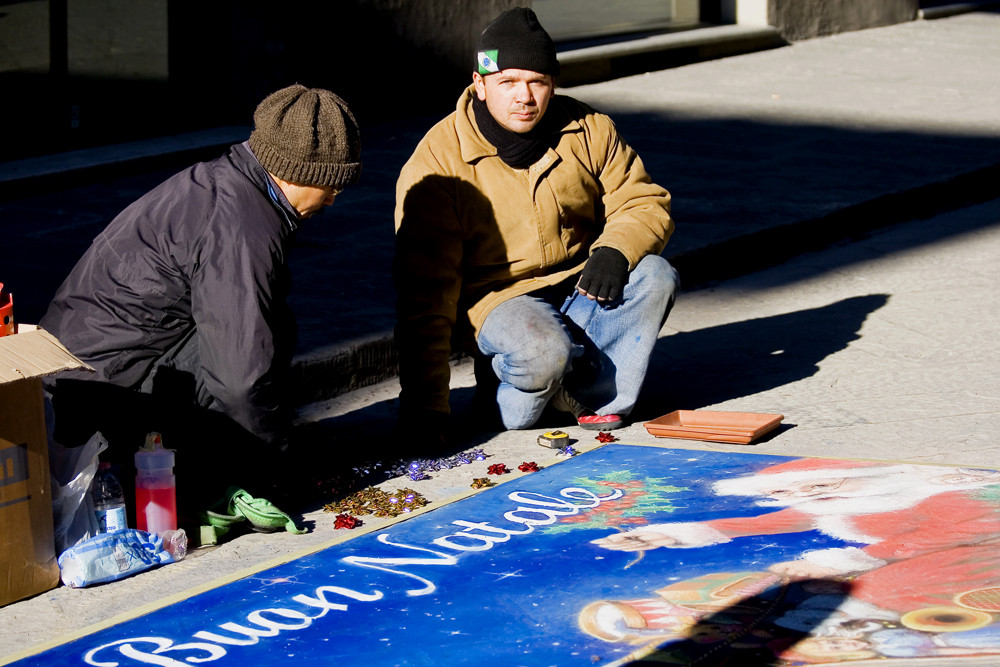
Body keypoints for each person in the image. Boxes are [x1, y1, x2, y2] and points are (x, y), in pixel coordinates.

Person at [40, 84, 361, 512]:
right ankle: (205, 481)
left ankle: (218, 459)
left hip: (80, 381)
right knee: (257, 346)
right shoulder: (243, 225)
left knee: (264, 326)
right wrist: (277, 464)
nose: (333, 199)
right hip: (91, 405)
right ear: (298, 172)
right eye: (331, 186)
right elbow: (241, 378)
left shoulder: (222, 183)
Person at [393, 8, 679, 448]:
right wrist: (425, 410)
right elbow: (423, 294)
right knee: (542, 353)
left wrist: (615, 250)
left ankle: (587, 397)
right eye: (508, 82)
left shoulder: (589, 129)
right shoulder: (438, 162)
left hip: (578, 281)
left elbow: (642, 199)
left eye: (537, 82)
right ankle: (521, 387)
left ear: (553, 84)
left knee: (655, 275)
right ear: (480, 83)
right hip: (496, 295)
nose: (523, 96)